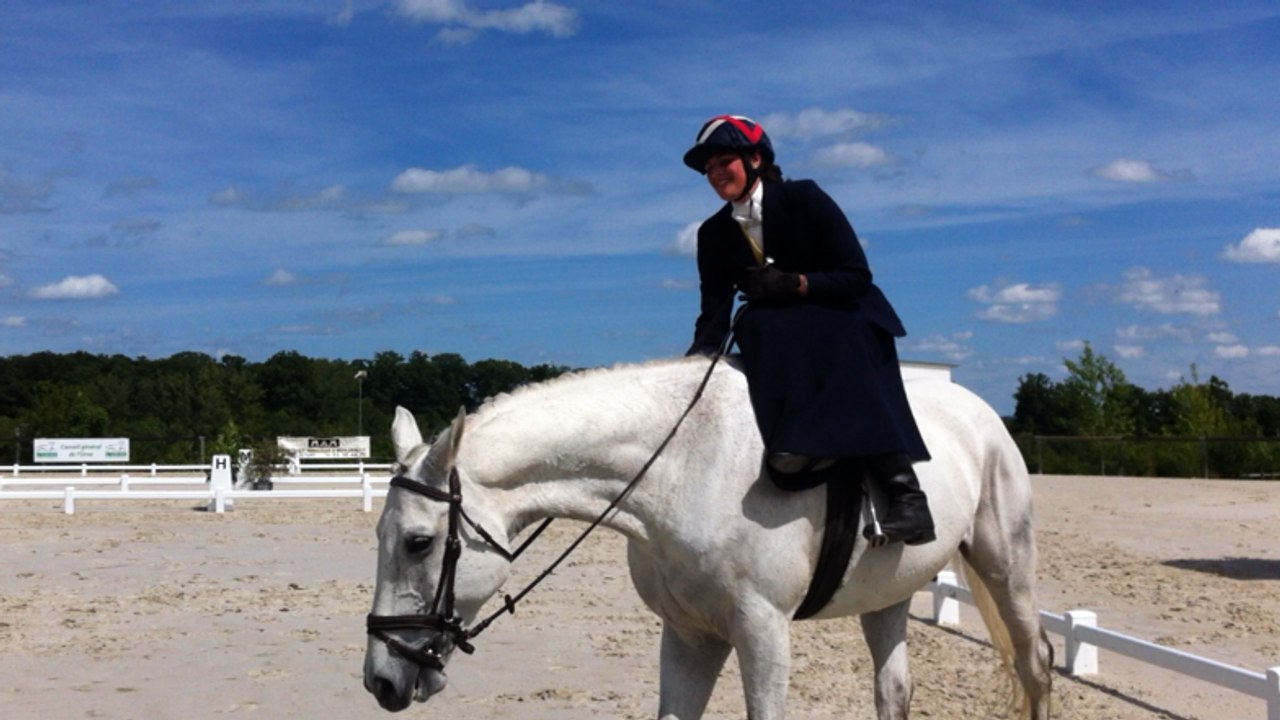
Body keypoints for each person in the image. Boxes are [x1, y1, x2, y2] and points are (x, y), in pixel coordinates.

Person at [682, 114, 935, 545]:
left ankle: (907, 498)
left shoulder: (805, 198)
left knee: (822, 333)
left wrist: (796, 283)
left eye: (724, 162)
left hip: (844, 312)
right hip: (779, 330)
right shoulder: (713, 233)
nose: (715, 174)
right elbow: (714, 312)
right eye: (708, 169)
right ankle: (788, 445)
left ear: (755, 160)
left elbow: (856, 276)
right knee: (755, 324)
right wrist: (693, 368)